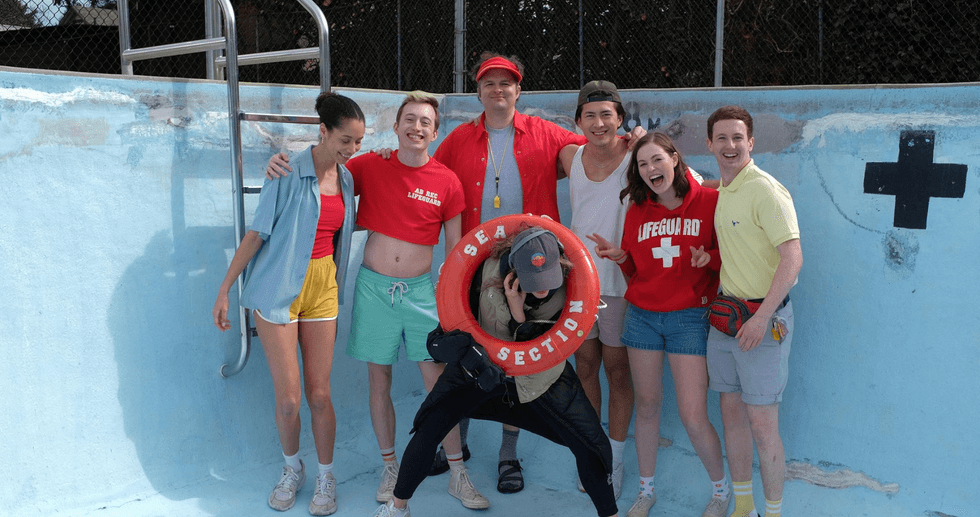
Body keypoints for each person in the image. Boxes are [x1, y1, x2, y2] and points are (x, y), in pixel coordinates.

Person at [430, 52, 644, 493]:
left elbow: (594, 150)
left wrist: (633, 140)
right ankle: (459, 444)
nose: (497, 90)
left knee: (519, 355)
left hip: (533, 269)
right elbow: (429, 173)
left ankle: (509, 452)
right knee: (468, 352)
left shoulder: (548, 135)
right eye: (489, 83)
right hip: (474, 268)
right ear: (478, 92)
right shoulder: (457, 140)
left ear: (518, 90)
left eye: (505, 83)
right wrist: (384, 157)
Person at [264, 92, 489, 510]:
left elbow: (458, 253)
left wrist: (453, 305)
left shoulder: (448, 181)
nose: (417, 127)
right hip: (373, 289)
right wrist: (280, 160)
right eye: (409, 119)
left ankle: (458, 471)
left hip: (422, 294)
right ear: (397, 125)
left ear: (435, 132)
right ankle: (390, 468)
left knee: (440, 384)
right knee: (378, 381)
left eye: (425, 121)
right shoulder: (369, 165)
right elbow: (323, 162)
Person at [371, 226, 620, 517]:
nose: (542, 287)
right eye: (533, 278)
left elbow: (551, 341)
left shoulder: (569, 287)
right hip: (481, 370)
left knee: (591, 444)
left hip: (538, 378)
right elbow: (449, 330)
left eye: (548, 277)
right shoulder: (483, 276)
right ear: (513, 270)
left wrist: (519, 315)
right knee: (429, 425)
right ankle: (398, 508)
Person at [212, 92, 364, 515]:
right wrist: (226, 289)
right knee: (288, 400)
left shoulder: (348, 179)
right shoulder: (285, 171)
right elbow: (256, 234)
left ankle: (326, 476)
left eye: (358, 142)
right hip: (279, 288)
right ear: (324, 131)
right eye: (346, 140)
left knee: (319, 394)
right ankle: (292, 468)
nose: (351, 149)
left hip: (323, 288)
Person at [589, 132, 730, 517]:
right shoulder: (638, 209)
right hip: (643, 318)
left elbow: (733, 252)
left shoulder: (710, 202)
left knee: (692, 414)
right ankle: (645, 491)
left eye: (657, 160)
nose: (651, 169)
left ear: (675, 158)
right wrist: (621, 257)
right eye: (643, 164)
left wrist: (711, 260)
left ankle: (720, 491)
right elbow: (638, 273)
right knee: (647, 406)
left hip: (689, 318)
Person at [705, 106, 802, 517]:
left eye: (737, 138)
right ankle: (743, 506)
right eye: (722, 138)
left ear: (751, 142)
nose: (730, 146)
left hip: (763, 324)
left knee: (763, 427)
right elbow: (694, 182)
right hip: (726, 321)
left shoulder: (765, 190)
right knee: (731, 417)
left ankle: (774, 512)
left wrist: (762, 319)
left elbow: (793, 258)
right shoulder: (725, 187)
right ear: (709, 144)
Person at [558, 80, 633, 499]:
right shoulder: (570, 155)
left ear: (620, 120)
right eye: (591, 115)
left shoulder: (637, 154)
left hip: (620, 285)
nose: (599, 122)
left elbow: (687, 184)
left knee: (617, 371)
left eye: (607, 114)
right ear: (579, 122)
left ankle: (616, 459)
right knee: (585, 369)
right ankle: (595, 453)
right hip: (578, 285)